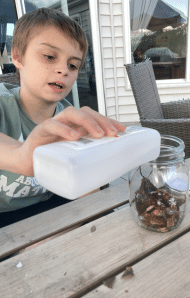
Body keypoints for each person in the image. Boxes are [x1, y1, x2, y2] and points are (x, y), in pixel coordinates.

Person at [0, 8, 126, 229]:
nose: (63, 70)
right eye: (49, 56)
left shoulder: (70, 118)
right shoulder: (3, 103)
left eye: (73, 65)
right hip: (6, 215)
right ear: (18, 56)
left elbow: (86, 191)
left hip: (52, 203)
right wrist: (21, 157)